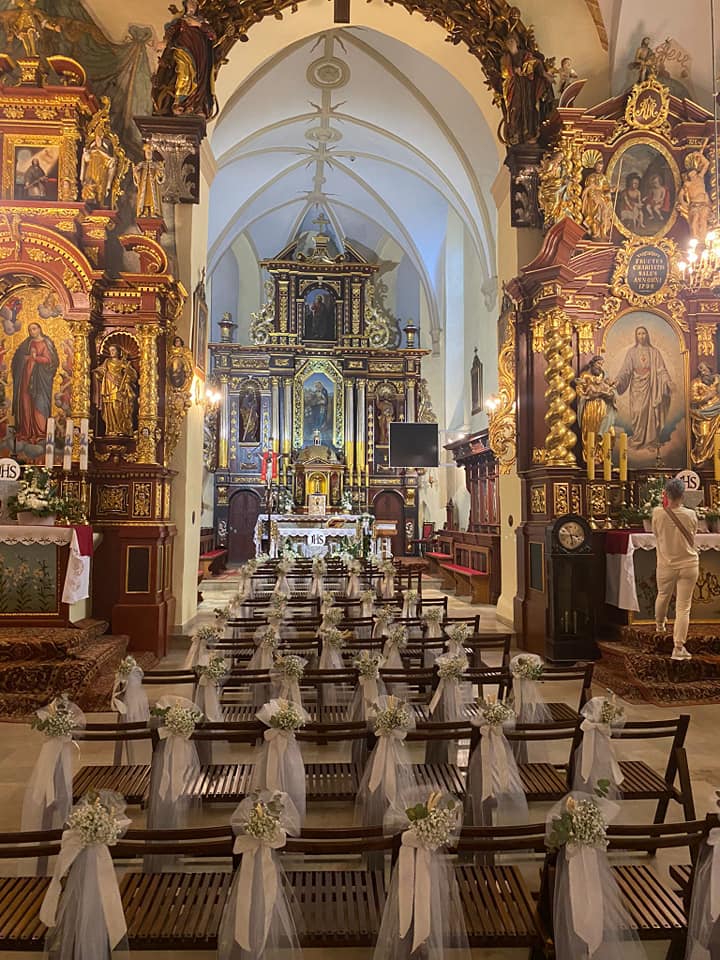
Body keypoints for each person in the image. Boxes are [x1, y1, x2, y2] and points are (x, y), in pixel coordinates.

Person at [651, 478, 698, 660]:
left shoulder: (657, 513)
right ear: (682, 495)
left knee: (663, 595)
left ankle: (660, 626)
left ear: (666, 494)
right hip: (688, 563)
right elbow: (693, 533)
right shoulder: (691, 514)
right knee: (683, 607)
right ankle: (678, 647)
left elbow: (656, 534)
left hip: (666, 564)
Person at [614, 325, 673, 449]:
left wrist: (667, 381)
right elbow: (625, 370)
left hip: (651, 386)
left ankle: (651, 441)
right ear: (636, 336)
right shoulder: (632, 352)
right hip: (636, 387)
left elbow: (661, 370)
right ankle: (638, 438)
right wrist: (618, 381)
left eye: (643, 333)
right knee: (638, 412)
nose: (641, 336)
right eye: (639, 334)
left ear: (647, 335)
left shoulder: (654, 352)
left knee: (650, 413)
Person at [11, 322, 59, 444]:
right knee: (25, 402)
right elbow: (18, 358)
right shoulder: (28, 343)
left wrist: (35, 358)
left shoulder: (46, 343)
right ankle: (26, 431)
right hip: (26, 377)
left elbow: (50, 360)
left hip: (40, 379)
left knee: (39, 402)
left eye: (34, 328)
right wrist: (25, 358)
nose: (32, 331)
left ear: (39, 329)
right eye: (30, 330)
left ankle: (41, 432)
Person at [575, 355, 617, 463]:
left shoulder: (604, 376)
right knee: (590, 432)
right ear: (592, 363)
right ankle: (591, 457)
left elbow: (611, 391)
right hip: (590, 408)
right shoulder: (585, 376)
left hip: (602, 407)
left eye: (602, 364)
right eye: (598, 363)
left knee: (608, 433)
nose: (600, 366)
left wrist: (609, 394)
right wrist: (587, 395)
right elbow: (579, 391)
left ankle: (603, 456)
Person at [93, 344, 138, 436]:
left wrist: (127, 369)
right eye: (110, 350)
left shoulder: (123, 362)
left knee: (118, 408)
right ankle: (111, 429)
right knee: (109, 408)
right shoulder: (107, 362)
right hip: (108, 389)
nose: (112, 352)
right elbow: (100, 372)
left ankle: (121, 429)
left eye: (114, 350)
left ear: (118, 351)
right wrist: (97, 372)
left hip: (119, 389)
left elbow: (133, 376)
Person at [690, 362, 720, 464]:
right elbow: (693, 399)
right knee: (703, 436)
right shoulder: (695, 383)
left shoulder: (716, 381)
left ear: (710, 370)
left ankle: (713, 459)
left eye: (705, 370)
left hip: (717, 413)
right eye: (701, 371)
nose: (703, 373)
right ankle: (699, 457)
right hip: (703, 414)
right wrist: (708, 396)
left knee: (716, 435)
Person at [581, 157, 613, 240]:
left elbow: (605, 189)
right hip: (593, 198)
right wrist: (593, 197)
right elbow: (589, 189)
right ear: (595, 166)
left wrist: (611, 190)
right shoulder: (591, 177)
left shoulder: (603, 177)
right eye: (598, 166)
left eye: (601, 167)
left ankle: (602, 232)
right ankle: (595, 232)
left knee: (604, 212)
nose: (599, 168)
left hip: (601, 196)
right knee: (596, 214)